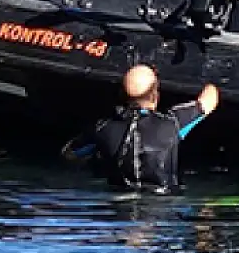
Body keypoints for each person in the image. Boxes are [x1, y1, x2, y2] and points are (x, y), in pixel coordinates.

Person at [66, 65, 220, 193]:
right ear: (155, 96)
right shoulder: (173, 123)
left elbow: (70, 153)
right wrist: (209, 79)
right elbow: (209, 100)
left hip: (120, 209)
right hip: (163, 206)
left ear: (121, 94)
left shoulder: (103, 128)